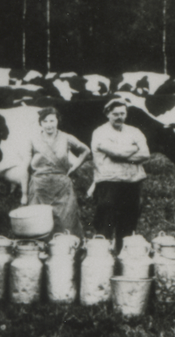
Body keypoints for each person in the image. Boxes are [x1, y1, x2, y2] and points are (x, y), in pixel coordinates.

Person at [91, 99, 151, 253]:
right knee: (106, 222)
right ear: (107, 114)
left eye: (122, 113)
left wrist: (122, 154)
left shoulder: (135, 131)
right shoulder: (99, 132)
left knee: (128, 223)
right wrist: (133, 148)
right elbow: (116, 153)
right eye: (115, 114)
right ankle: (101, 259)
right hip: (109, 182)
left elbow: (145, 154)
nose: (119, 117)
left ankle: (122, 258)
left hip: (132, 182)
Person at [24, 107, 90, 237]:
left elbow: (86, 150)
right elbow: (24, 166)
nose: (49, 125)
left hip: (62, 187)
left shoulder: (66, 138)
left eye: (52, 121)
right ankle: (38, 253)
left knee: (66, 222)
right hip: (39, 187)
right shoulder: (32, 139)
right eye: (45, 121)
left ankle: (67, 250)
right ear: (41, 123)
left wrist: (75, 166)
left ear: (57, 121)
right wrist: (23, 193)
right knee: (37, 223)